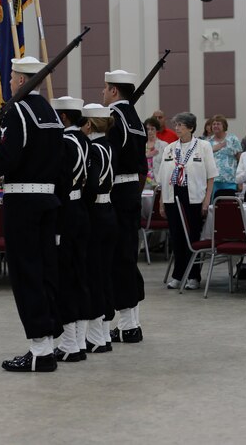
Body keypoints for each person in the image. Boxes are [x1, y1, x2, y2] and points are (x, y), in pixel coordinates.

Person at [0, 56, 64, 373]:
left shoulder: (18, 111)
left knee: (26, 276)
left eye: (11, 78)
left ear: (22, 80)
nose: (9, 82)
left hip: (23, 203)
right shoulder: (50, 113)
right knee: (46, 273)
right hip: (49, 201)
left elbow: (5, 161)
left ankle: (38, 350)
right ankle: (46, 346)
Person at [103, 69, 147, 344]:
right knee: (127, 255)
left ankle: (123, 324)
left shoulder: (113, 117)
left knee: (115, 257)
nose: (103, 93)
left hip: (116, 190)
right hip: (132, 190)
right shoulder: (136, 119)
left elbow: (109, 158)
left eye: (105, 88)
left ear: (114, 91)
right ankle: (131, 322)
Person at [50, 96, 91, 362]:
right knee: (79, 274)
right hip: (82, 210)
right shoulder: (87, 141)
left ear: (64, 118)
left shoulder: (64, 143)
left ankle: (69, 344)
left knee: (64, 277)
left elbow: (59, 180)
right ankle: (77, 340)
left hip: (65, 212)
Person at [158, 112, 217, 291]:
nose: (177, 128)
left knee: (192, 237)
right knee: (176, 237)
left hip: (194, 197)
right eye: (176, 125)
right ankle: (178, 275)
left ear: (191, 128)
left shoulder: (203, 146)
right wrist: (161, 202)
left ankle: (193, 276)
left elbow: (211, 176)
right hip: (172, 196)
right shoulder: (170, 148)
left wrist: (206, 200)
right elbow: (162, 178)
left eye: (181, 125)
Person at [81, 103, 118, 353]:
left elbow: (92, 184)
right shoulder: (108, 145)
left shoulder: (93, 148)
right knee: (105, 273)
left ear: (90, 123)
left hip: (95, 213)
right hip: (109, 211)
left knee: (94, 273)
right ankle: (103, 334)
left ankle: (96, 337)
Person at [209, 114, 241, 199]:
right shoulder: (208, 142)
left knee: (230, 206)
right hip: (214, 181)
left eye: (218, 124)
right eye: (214, 124)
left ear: (224, 126)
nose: (215, 126)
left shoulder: (233, 139)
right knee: (215, 207)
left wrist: (240, 182)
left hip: (230, 181)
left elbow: (240, 160)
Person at [144, 116, 167, 189]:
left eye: (152, 129)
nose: (150, 131)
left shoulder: (164, 145)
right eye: (147, 129)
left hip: (158, 182)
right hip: (143, 183)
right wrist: (146, 155)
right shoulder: (140, 145)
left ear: (157, 130)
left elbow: (167, 166)